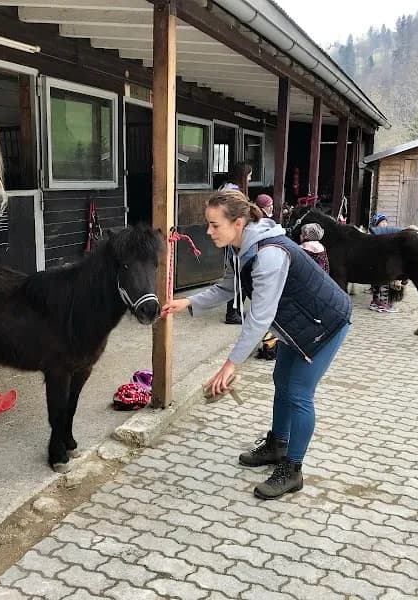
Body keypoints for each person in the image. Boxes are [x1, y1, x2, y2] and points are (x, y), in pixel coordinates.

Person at [162, 189, 352, 500]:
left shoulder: (269, 255)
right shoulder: (239, 247)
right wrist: (189, 302)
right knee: (282, 381)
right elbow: (227, 287)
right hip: (298, 323)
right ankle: (278, 445)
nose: (208, 231)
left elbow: (259, 318)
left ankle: (292, 470)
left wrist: (229, 365)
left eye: (214, 225)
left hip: (324, 323)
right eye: (208, 224)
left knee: (299, 392)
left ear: (238, 223)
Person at [220, 162, 254, 324]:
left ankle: (236, 310)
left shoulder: (226, 189)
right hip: (235, 240)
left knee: (237, 276)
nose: (250, 179)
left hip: (230, 238)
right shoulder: (233, 193)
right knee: (239, 276)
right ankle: (232, 313)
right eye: (249, 175)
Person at [367, 213, 403, 313]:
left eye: (385, 222)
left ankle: (375, 302)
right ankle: (383, 304)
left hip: (375, 265)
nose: (384, 224)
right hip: (380, 265)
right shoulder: (379, 235)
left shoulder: (378, 234)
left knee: (377, 283)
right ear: (376, 224)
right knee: (384, 282)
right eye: (381, 222)